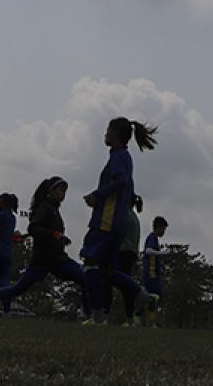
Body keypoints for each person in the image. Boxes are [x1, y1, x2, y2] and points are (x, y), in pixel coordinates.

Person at [0, 178, 84, 316]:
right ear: (51, 191)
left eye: (65, 191)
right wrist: (53, 234)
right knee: (17, 289)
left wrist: (61, 238)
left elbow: (52, 233)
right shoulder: (44, 207)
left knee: (85, 278)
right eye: (60, 190)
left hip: (57, 259)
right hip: (42, 260)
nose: (63, 194)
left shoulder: (54, 209)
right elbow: (33, 228)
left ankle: (91, 315)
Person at [81, 117, 156, 325]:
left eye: (108, 129)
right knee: (108, 271)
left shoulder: (118, 155)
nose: (105, 133)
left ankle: (96, 317)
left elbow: (121, 180)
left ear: (115, 134)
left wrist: (98, 195)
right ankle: (143, 296)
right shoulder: (124, 156)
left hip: (107, 220)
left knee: (90, 264)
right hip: (118, 222)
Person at [104, 193, 142, 324]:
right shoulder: (134, 217)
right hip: (130, 254)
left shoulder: (123, 215)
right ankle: (130, 318)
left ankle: (104, 315)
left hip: (121, 252)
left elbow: (115, 234)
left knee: (108, 281)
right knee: (126, 284)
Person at [142, 214, 168, 327]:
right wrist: (162, 253)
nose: (164, 232)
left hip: (154, 274)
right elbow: (148, 251)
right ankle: (152, 322)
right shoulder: (152, 237)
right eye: (163, 229)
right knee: (155, 298)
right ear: (158, 227)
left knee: (153, 298)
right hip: (151, 274)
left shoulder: (155, 239)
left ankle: (150, 320)